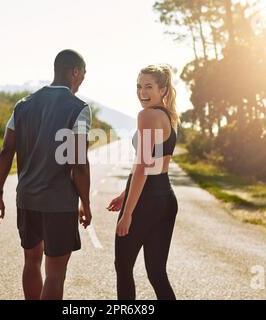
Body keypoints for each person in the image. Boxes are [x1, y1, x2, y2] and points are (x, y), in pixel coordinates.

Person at [0, 49, 92, 300]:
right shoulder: (79, 108)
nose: (82, 81)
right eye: (83, 75)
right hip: (58, 202)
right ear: (75, 72)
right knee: (56, 274)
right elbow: (78, 163)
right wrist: (85, 203)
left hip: (26, 199)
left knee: (31, 261)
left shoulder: (22, 105)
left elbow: (6, 151)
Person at [107, 64, 179, 300]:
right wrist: (125, 194)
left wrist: (128, 212)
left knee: (123, 267)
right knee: (157, 274)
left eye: (148, 86)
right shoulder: (168, 116)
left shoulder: (147, 115)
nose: (142, 92)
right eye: (138, 86)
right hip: (165, 198)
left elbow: (142, 166)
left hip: (146, 202)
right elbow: (155, 165)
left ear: (163, 89)